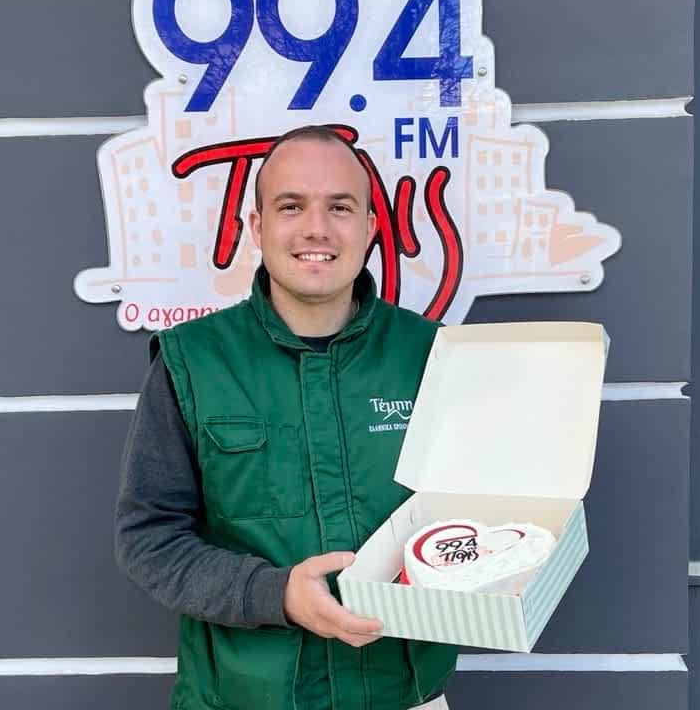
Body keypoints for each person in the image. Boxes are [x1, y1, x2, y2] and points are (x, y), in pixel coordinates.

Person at [115, 125, 457, 710]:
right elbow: (150, 537)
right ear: (257, 226)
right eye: (291, 206)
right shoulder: (192, 361)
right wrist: (276, 594)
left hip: (403, 696)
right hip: (238, 699)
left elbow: (474, 518)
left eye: (340, 207)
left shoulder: (435, 356)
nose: (316, 228)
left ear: (371, 227)